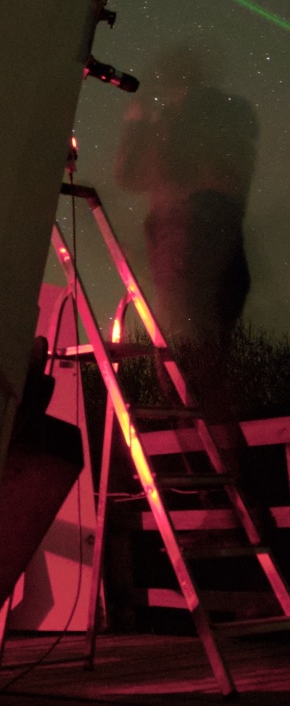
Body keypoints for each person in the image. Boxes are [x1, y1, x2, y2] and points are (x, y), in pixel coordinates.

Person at [113, 44, 257, 425]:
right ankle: (222, 453)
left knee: (184, 345)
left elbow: (131, 175)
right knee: (214, 350)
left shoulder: (179, 120)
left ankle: (193, 451)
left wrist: (138, 124)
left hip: (187, 231)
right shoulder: (237, 114)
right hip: (229, 237)